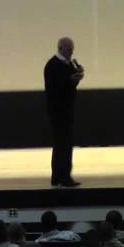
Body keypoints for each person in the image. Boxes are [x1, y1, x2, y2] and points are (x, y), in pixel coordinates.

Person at [44, 37, 84, 187]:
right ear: (60, 48)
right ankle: (63, 176)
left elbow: (70, 84)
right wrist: (71, 80)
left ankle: (58, 176)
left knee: (63, 144)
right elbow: (54, 88)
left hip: (66, 110)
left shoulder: (68, 64)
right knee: (63, 144)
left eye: (72, 50)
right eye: (68, 50)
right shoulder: (52, 65)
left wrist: (77, 76)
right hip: (58, 111)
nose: (71, 53)